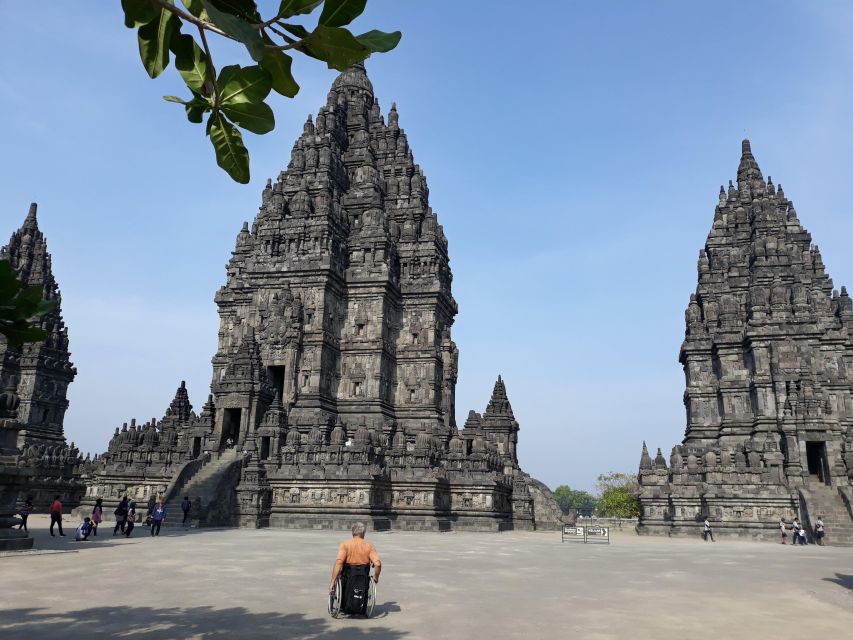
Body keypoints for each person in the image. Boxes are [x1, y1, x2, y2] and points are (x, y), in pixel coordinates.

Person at [328, 522, 382, 598]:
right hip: (363, 577)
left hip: (348, 575)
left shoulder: (345, 544)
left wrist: (332, 582)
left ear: (352, 532)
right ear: (363, 533)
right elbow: (378, 564)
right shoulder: (370, 545)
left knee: (341, 572)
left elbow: (339, 562)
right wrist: (376, 578)